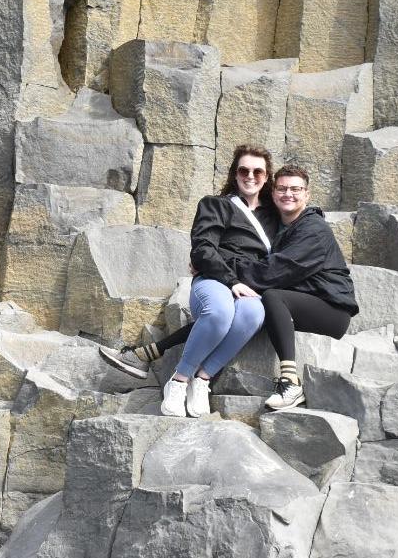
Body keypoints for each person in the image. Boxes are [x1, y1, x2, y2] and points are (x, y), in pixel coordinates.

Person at [99, 145, 277, 417]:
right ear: (234, 173)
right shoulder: (215, 204)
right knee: (219, 312)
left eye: (257, 172)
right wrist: (232, 281)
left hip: (251, 286)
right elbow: (203, 248)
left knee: (253, 314)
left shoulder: (274, 217)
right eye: (244, 170)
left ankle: (203, 379)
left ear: (266, 177)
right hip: (215, 280)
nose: (250, 176)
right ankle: (180, 379)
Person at [231, 165, 359, 410]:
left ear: (307, 194)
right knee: (241, 307)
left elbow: (275, 271)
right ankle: (156, 350)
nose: (288, 194)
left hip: (332, 310)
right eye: (281, 188)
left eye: (295, 189)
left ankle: (290, 383)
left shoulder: (314, 229)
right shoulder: (277, 226)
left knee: (271, 296)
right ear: (273, 193)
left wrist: (223, 270)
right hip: (297, 302)